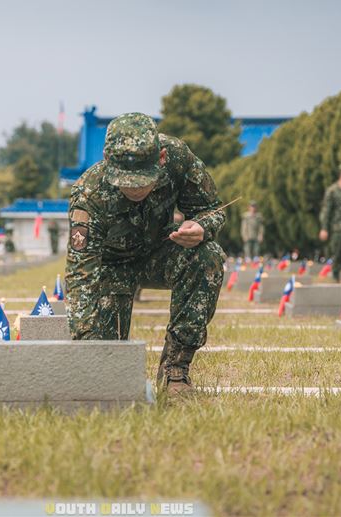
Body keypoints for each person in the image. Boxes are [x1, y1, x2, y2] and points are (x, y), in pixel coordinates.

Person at [66, 112, 226, 396]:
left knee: (208, 256)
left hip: (159, 253)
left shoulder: (178, 159)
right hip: (111, 268)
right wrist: (86, 343)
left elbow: (212, 209)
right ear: (106, 160)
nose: (135, 187)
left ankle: (175, 372)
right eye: (125, 180)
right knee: (105, 376)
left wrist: (201, 227)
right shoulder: (88, 194)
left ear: (161, 158)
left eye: (143, 179)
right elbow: (81, 276)